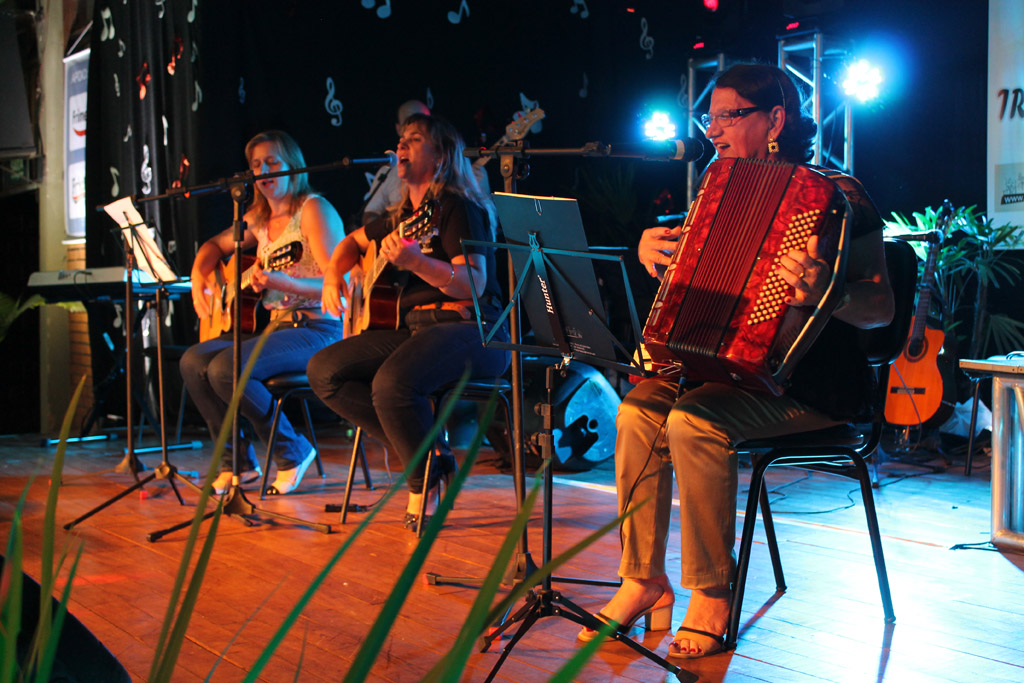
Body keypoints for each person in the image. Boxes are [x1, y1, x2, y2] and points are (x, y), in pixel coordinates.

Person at [579, 63, 896, 658]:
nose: (713, 130)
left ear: (775, 120)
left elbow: (881, 309)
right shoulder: (717, 189)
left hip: (812, 388)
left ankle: (711, 592)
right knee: (637, 411)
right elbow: (700, 284)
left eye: (729, 115)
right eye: (711, 116)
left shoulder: (840, 194)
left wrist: (828, 294)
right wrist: (654, 253)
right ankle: (643, 581)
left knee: (691, 421)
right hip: (724, 375)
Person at [308, 113, 509, 530]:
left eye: (414, 139)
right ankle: (430, 449)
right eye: (401, 139)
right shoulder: (401, 216)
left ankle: (423, 480)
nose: (401, 145)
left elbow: (473, 283)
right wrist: (331, 276)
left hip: (473, 329)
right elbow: (350, 243)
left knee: (391, 383)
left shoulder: (458, 207)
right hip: (415, 329)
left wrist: (416, 262)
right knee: (325, 370)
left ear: (441, 156)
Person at [181, 130, 346, 496]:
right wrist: (197, 275)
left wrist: (285, 283)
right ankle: (237, 463)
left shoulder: (313, 210)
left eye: (273, 162)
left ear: (293, 166)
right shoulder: (257, 218)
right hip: (276, 329)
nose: (264, 170)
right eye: (257, 165)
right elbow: (213, 246)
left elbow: (339, 281)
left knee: (226, 368)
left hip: (318, 329)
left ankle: (292, 450)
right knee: (193, 362)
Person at [361, 100, 432, 225]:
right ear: (398, 129)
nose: (414, 125)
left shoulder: (447, 194)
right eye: (408, 123)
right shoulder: (388, 172)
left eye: (421, 122)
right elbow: (370, 214)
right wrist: (388, 234)